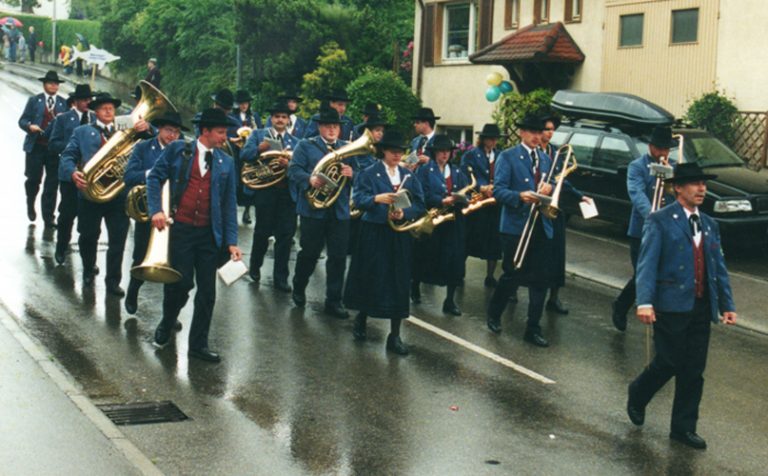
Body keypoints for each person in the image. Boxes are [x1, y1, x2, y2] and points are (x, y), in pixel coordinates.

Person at [627, 162, 737, 450]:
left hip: (701, 306)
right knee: (669, 361)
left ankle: (683, 428)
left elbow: (718, 267)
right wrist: (645, 302)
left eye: (703, 183)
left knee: (693, 369)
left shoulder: (710, 224)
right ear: (678, 187)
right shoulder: (660, 220)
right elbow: (647, 264)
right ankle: (638, 392)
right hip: (671, 304)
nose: (702, 188)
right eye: (694, 183)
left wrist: (727, 303)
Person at [147, 108, 242, 363]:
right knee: (181, 283)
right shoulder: (179, 150)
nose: (225, 137)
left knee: (207, 294)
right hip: (181, 230)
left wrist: (232, 241)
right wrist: (156, 209)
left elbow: (229, 203)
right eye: (221, 132)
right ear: (205, 131)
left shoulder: (227, 162)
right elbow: (155, 177)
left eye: (225, 132)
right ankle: (167, 322)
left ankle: (197, 345)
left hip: (209, 235)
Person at [344, 129, 425, 355]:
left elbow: (419, 204)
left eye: (400, 152)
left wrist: (405, 214)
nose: (397, 155)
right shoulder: (369, 173)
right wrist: (375, 199)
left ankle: (395, 335)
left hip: (399, 235)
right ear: (383, 152)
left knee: (398, 281)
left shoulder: (409, 175)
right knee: (371, 276)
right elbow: (358, 200)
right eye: (393, 152)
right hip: (374, 232)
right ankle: (361, 317)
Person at [60, 93, 151, 293]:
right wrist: (72, 172)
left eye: (111, 107)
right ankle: (87, 269)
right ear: (95, 111)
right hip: (90, 195)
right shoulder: (82, 131)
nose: (109, 111)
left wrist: (147, 130)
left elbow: (151, 146)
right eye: (103, 108)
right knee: (87, 237)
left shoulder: (128, 127)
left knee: (118, 241)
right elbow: (67, 156)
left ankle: (113, 282)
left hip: (118, 196)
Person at [485, 114, 555, 347]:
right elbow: (498, 191)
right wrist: (519, 196)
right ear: (522, 133)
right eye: (533, 132)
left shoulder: (545, 159)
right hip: (516, 226)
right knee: (512, 274)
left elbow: (551, 190)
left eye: (540, 132)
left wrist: (549, 189)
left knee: (540, 280)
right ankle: (494, 313)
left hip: (540, 226)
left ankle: (532, 327)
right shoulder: (508, 156)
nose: (538, 137)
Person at [287, 106, 353, 319]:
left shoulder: (348, 148)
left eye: (335, 126)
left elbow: (364, 175)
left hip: (339, 211)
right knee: (310, 253)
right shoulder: (306, 145)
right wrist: (309, 179)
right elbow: (293, 169)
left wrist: (353, 173)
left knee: (338, 257)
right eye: (328, 126)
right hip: (312, 210)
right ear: (320, 127)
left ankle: (333, 300)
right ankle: (299, 285)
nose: (332, 130)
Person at [612, 126, 677, 331]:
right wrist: (652, 214)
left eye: (666, 149)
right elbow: (636, 192)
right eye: (659, 148)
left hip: (668, 230)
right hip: (642, 229)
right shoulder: (637, 166)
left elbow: (678, 195)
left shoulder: (674, 166)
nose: (663, 153)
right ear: (650, 146)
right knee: (642, 273)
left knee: (662, 273)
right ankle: (621, 305)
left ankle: (661, 319)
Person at [123, 111, 187, 315]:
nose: (172, 136)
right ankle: (133, 290)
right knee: (141, 254)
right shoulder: (143, 147)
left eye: (176, 132)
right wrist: (152, 173)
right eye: (169, 130)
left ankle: (169, 313)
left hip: (174, 213)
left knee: (173, 263)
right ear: (159, 129)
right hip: (148, 210)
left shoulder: (183, 151)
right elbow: (129, 176)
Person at [240, 102, 299, 292]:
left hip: (286, 194)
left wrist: (288, 166)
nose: (280, 120)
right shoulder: (258, 135)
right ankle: (255, 267)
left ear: (288, 120)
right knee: (262, 232)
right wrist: (259, 148)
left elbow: (300, 169)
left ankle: (280, 278)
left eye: (284, 117)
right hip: (266, 192)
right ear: (271, 119)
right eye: (277, 117)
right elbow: (244, 154)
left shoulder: (296, 142)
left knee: (285, 235)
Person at [539, 113, 592, 314]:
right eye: (547, 129)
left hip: (555, 208)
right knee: (537, 255)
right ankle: (516, 291)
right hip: (538, 208)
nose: (550, 133)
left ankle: (554, 298)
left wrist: (580, 197)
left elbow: (564, 181)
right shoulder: (536, 153)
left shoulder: (556, 152)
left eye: (552, 129)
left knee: (557, 254)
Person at [412, 135, 469, 316]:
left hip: (453, 221)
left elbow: (466, 191)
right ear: (435, 152)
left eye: (448, 152)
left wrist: (462, 200)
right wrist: (440, 200)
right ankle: (415, 285)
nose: (445, 155)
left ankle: (450, 300)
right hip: (434, 220)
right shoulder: (425, 170)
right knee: (425, 256)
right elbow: (420, 194)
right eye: (442, 151)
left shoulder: (458, 171)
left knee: (455, 259)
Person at [49, 84, 95, 264]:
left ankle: (89, 260)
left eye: (90, 100)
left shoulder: (94, 119)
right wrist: (74, 146)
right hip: (70, 175)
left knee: (90, 219)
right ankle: (61, 247)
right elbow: (53, 144)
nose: (87, 103)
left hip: (91, 176)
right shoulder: (63, 119)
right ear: (75, 102)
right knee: (67, 214)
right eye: (84, 100)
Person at [18, 70, 68, 226]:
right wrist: (29, 126)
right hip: (36, 147)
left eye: (56, 83)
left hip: (53, 149)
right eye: (50, 83)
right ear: (44, 84)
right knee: (33, 179)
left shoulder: (63, 103)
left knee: (52, 184)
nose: (54, 86)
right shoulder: (34, 100)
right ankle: (30, 203)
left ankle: (48, 217)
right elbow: (22, 120)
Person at [460, 123, 504, 288]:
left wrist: (497, 188)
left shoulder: (500, 155)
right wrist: (481, 187)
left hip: (494, 205)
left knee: (494, 242)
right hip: (477, 204)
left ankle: (490, 276)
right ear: (483, 139)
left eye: (495, 139)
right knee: (469, 238)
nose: (493, 142)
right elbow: (465, 176)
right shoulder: (471, 155)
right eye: (490, 138)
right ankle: (460, 272)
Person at [234, 89, 261, 225]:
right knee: (236, 181)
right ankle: (234, 209)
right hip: (235, 151)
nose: (244, 106)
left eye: (246, 103)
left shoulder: (254, 117)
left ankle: (247, 211)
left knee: (249, 181)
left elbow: (259, 131)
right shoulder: (233, 117)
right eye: (241, 103)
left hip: (249, 152)